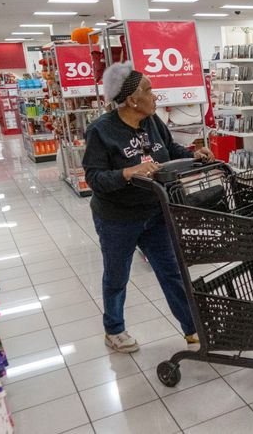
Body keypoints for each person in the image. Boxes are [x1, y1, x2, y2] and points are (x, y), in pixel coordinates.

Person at [82, 62, 214, 353]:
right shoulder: (101, 131)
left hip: (155, 212)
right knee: (117, 276)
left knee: (171, 271)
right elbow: (94, 178)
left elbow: (168, 150)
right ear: (132, 99)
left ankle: (192, 328)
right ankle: (114, 330)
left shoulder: (152, 122)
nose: (156, 96)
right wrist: (128, 172)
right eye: (149, 90)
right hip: (118, 218)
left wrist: (194, 153)